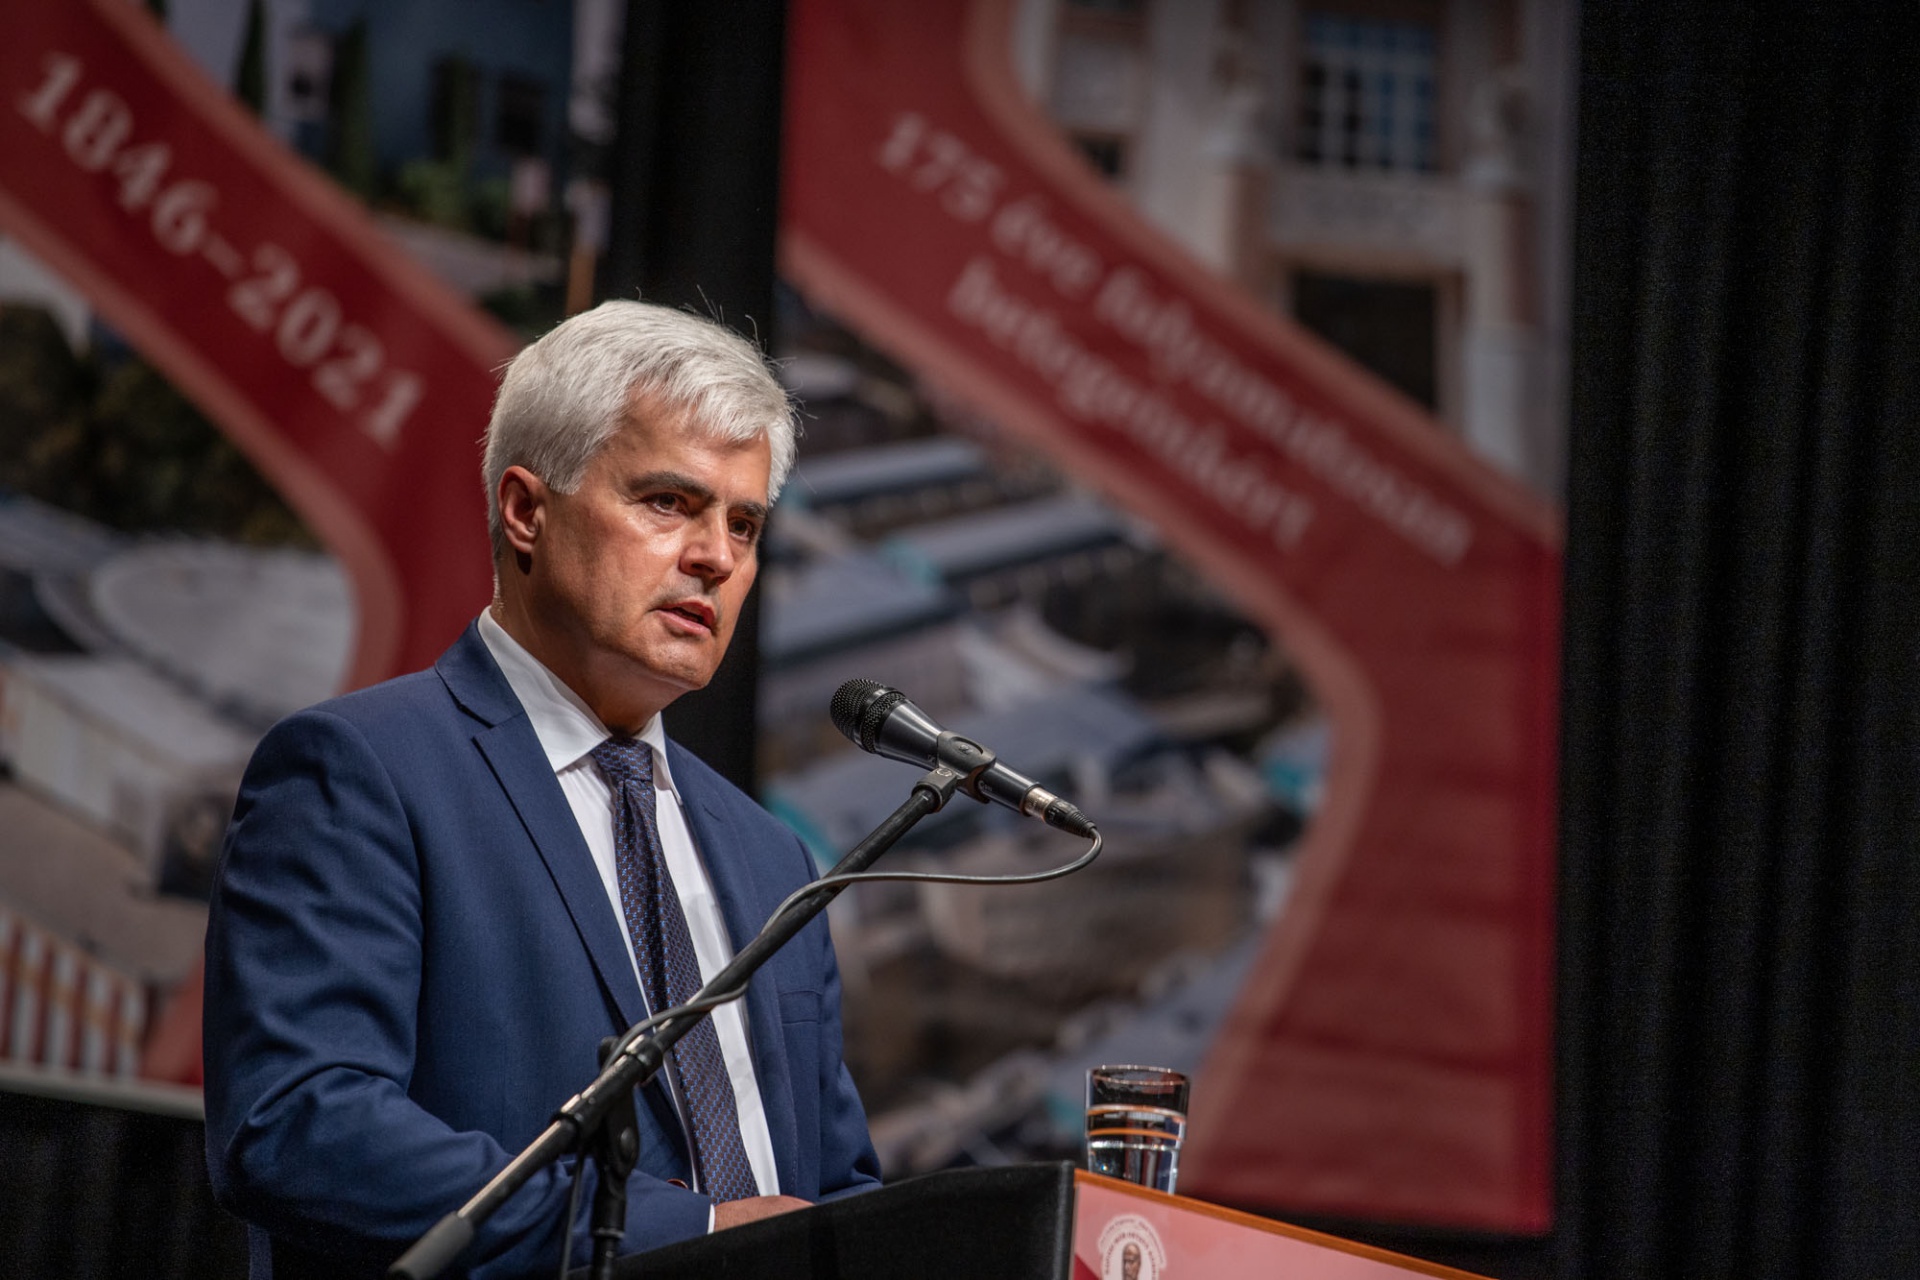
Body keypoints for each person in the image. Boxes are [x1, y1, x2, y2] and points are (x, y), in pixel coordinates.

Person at [203, 300, 880, 1279]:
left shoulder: (771, 856)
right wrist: (689, 1240)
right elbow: (300, 1125)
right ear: (526, 510)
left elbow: (838, 1190)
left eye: (744, 523)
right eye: (669, 502)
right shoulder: (361, 771)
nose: (717, 557)